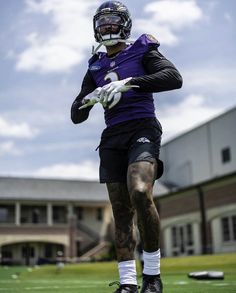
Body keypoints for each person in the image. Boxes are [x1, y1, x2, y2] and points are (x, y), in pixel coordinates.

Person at [71, 1, 182, 292]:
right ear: (95, 28)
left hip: (142, 127)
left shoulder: (143, 49)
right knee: (120, 210)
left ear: (125, 24)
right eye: (102, 21)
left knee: (140, 192)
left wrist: (129, 82)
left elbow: (173, 78)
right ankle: (128, 284)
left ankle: (153, 276)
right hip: (112, 137)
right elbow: (76, 115)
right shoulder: (95, 64)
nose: (107, 26)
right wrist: (91, 97)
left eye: (112, 20)